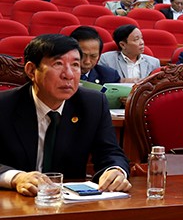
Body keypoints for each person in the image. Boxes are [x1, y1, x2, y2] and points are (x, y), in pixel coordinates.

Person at [0, 34, 130, 196]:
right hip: (12, 201)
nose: (69, 74)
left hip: (69, 205)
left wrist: (115, 170)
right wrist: (16, 177)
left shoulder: (93, 104)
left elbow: (110, 152)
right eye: (58, 64)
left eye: (75, 65)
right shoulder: (4, 106)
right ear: (31, 70)